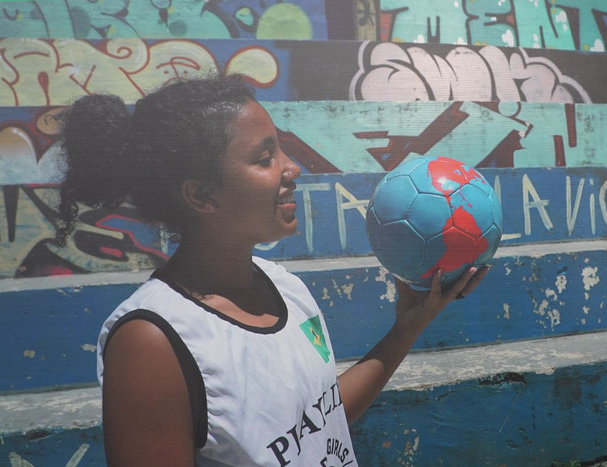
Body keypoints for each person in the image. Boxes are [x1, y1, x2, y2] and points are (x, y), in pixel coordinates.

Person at [56, 75, 488, 466]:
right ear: (202, 195)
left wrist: (407, 327)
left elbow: (318, 421)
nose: (292, 168)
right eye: (265, 158)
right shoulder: (152, 340)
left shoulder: (285, 285)